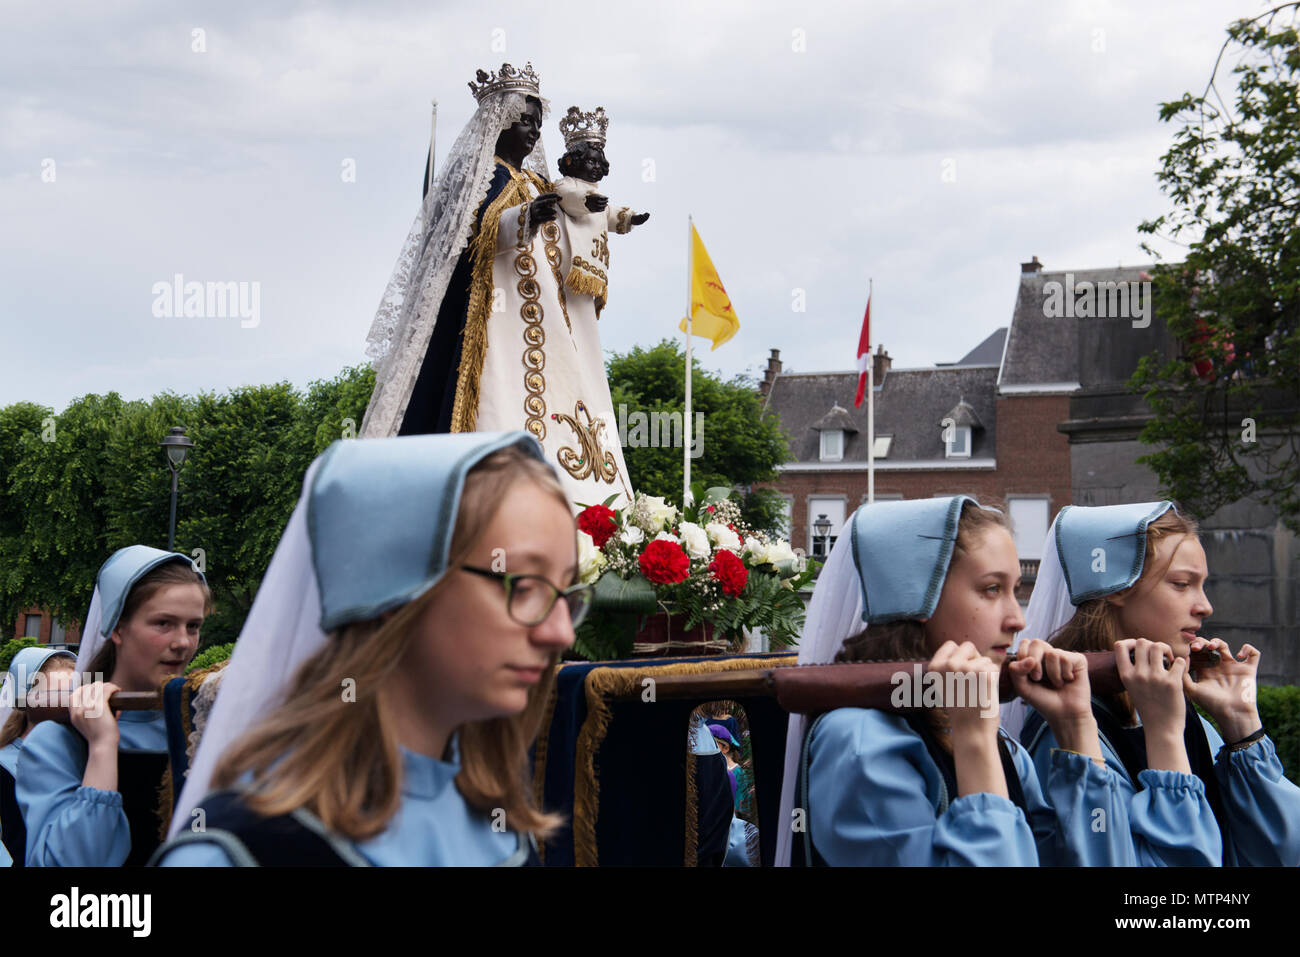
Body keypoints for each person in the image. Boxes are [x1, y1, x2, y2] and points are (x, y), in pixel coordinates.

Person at [154, 432, 587, 866]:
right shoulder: (241, 853)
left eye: (565, 591)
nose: (560, 634)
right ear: (394, 593)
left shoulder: (502, 831)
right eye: (524, 585)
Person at [774, 496, 1136, 866]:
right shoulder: (859, 742)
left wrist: (1076, 729)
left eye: (1016, 591)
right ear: (917, 599)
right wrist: (976, 744)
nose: (1017, 620)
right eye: (992, 589)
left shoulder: (998, 740)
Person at [361, 64, 633, 509]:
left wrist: (605, 219)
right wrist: (522, 218)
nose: (532, 131)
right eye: (524, 120)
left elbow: (577, 227)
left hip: (546, 324)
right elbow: (465, 238)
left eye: (537, 123)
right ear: (498, 120)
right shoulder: (477, 176)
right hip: (490, 321)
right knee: (498, 405)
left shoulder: (542, 183)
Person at [1013, 501, 1300, 866]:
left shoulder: (1170, 709)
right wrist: (1165, 736)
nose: (1205, 606)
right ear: (1115, 587)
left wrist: (1242, 728)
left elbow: (1284, 854)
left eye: (1202, 586)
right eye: (1182, 584)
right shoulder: (1063, 732)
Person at [17, 546, 210, 865]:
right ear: (118, 627)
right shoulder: (57, 741)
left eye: (193, 626)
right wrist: (103, 748)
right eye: (163, 623)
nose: (183, 642)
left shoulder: (203, 726)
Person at [0, 648, 77, 866]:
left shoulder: (86, 762)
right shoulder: (4, 768)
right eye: (56, 694)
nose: (68, 705)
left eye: (74, 693)